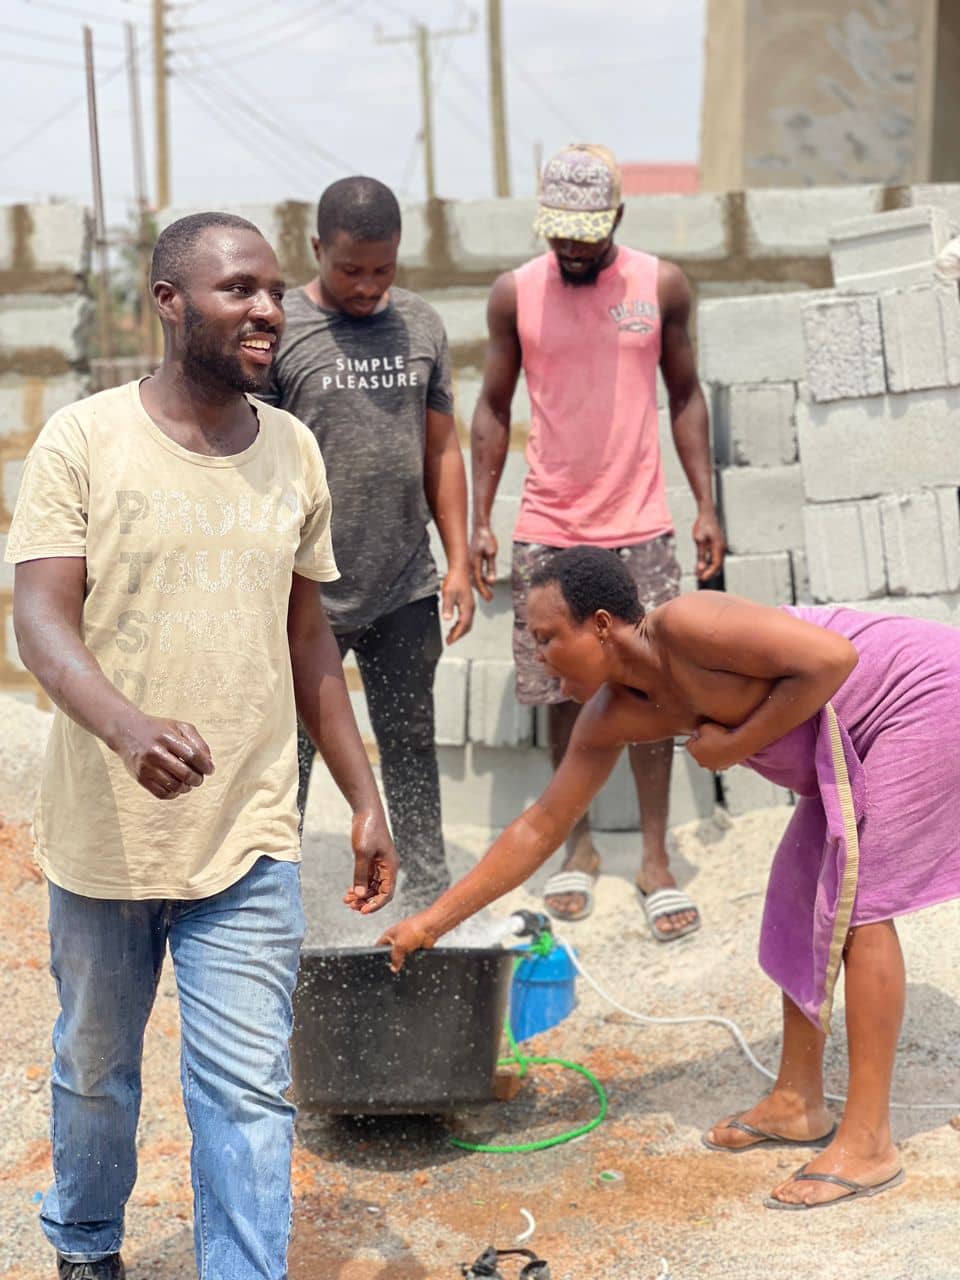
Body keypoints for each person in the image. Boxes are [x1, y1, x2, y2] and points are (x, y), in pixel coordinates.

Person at [7, 212, 398, 1279]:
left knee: (247, 1089)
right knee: (96, 1071)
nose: (267, 308)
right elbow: (40, 620)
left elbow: (309, 638)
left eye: (272, 289)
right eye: (238, 289)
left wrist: (362, 795)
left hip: (249, 833)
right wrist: (126, 726)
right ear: (169, 303)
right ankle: (87, 1244)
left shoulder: (294, 450)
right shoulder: (84, 439)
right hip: (108, 838)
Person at [379, 544, 960, 1209]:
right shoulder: (610, 718)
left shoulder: (688, 624)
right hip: (848, 738)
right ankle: (799, 1102)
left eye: (547, 638)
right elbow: (541, 826)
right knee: (800, 895)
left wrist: (737, 743)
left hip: (923, 696)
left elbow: (833, 659)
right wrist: (432, 923)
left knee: (859, 905)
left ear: (602, 626)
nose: (539, 656)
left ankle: (870, 1141)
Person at [469, 142, 724, 938]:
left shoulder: (660, 286)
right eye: (559, 234)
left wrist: (706, 505)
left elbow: (686, 395)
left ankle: (654, 858)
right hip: (549, 526)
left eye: (587, 233)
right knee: (559, 693)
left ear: (616, 216)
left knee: (657, 689)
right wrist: (479, 517)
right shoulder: (515, 293)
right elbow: (491, 406)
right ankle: (575, 847)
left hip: (639, 524)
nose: (572, 248)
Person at [266, 175, 473, 910]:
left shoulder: (420, 325)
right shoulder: (281, 328)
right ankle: (272, 903)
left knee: (410, 741)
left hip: (403, 583)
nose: (366, 285)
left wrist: (457, 563)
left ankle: (427, 901)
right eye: (350, 268)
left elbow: (442, 449)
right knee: (287, 755)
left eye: (382, 269)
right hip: (303, 596)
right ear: (317, 248)